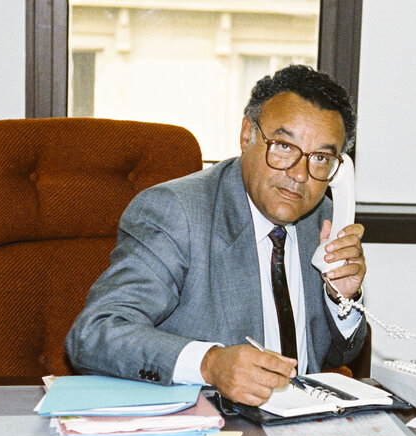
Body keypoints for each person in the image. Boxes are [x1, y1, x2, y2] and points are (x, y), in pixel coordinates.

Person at [65, 64, 367, 406]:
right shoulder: (177, 212)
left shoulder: (324, 219)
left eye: (321, 157)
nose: (299, 174)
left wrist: (341, 299)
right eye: (283, 146)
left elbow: (343, 351)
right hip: (206, 431)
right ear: (246, 134)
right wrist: (209, 364)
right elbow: (95, 334)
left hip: (303, 427)